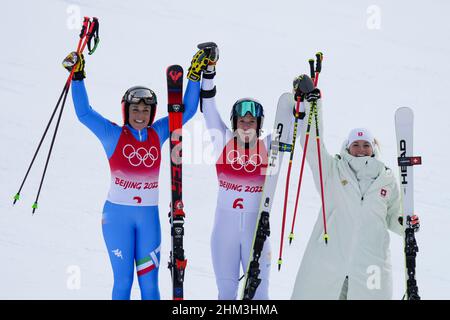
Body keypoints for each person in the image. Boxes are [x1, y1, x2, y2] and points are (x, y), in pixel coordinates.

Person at [62, 47, 209, 300]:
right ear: (126, 111)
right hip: (117, 217)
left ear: (151, 113)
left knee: (149, 284)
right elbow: (84, 113)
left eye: (145, 111)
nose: (140, 116)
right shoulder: (113, 135)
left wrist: (195, 76)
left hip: (148, 219)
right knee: (123, 281)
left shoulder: (158, 132)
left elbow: (188, 110)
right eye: (135, 110)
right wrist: (77, 76)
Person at [290, 79, 420, 300]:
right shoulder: (332, 171)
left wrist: (405, 223)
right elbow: (313, 145)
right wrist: (314, 106)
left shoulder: (386, 180)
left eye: (366, 145)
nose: (361, 149)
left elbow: (393, 216)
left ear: (373, 149)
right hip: (330, 256)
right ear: (347, 147)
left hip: (371, 262)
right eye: (356, 145)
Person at [196, 45, 273, 300]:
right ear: (234, 123)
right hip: (224, 233)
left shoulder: (270, 146)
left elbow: (296, 126)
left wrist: (303, 101)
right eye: (242, 121)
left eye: (252, 122)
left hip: (256, 231)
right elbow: (208, 108)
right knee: (227, 293)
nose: (246, 125)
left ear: (259, 125)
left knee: (260, 296)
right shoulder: (223, 141)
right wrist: (209, 71)